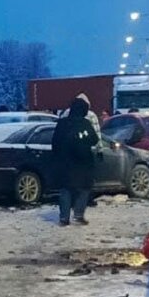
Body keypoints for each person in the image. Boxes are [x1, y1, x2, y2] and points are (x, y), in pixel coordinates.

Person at [51, 96, 99, 226]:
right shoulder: (85, 123)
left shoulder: (62, 123)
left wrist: (57, 157)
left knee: (65, 190)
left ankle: (64, 218)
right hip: (84, 163)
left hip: (65, 163)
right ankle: (78, 215)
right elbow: (94, 140)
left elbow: (54, 142)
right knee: (84, 189)